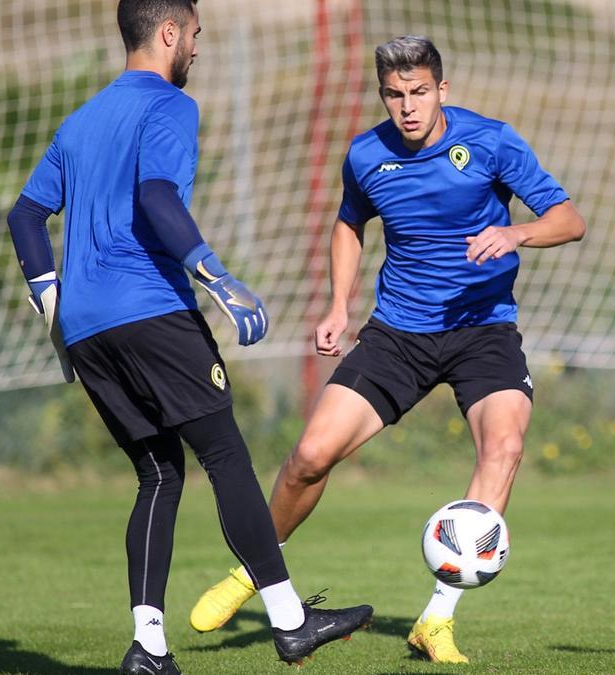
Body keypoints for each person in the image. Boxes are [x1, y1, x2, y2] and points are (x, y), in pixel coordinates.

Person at [187, 34, 584, 664]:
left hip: (484, 331)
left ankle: (437, 618)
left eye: (420, 92)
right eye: (395, 95)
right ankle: (252, 576)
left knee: (504, 449)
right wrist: (340, 304)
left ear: (442, 90)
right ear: (383, 96)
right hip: (398, 335)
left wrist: (516, 232)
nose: (408, 107)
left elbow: (569, 218)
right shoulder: (366, 154)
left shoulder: (492, 141)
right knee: (310, 456)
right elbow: (351, 223)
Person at [6, 1, 373, 672]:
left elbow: (25, 216)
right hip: (150, 310)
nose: (198, 50)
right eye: (196, 35)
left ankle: (149, 645)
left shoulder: (80, 122)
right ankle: (291, 622)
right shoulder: (170, 106)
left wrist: (53, 309)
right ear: (169, 32)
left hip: (89, 328)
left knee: (157, 473)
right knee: (226, 456)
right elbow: (156, 198)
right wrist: (218, 277)